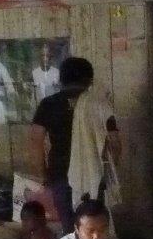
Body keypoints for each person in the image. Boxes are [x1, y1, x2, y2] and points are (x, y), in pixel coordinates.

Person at [30, 57, 121, 229]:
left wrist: (44, 176)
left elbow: (36, 142)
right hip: (94, 176)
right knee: (95, 228)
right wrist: (108, 173)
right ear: (90, 80)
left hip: (60, 175)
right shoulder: (99, 105)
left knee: (70, 229)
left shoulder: (48, 104)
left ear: (61, 79)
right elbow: (115, 143)